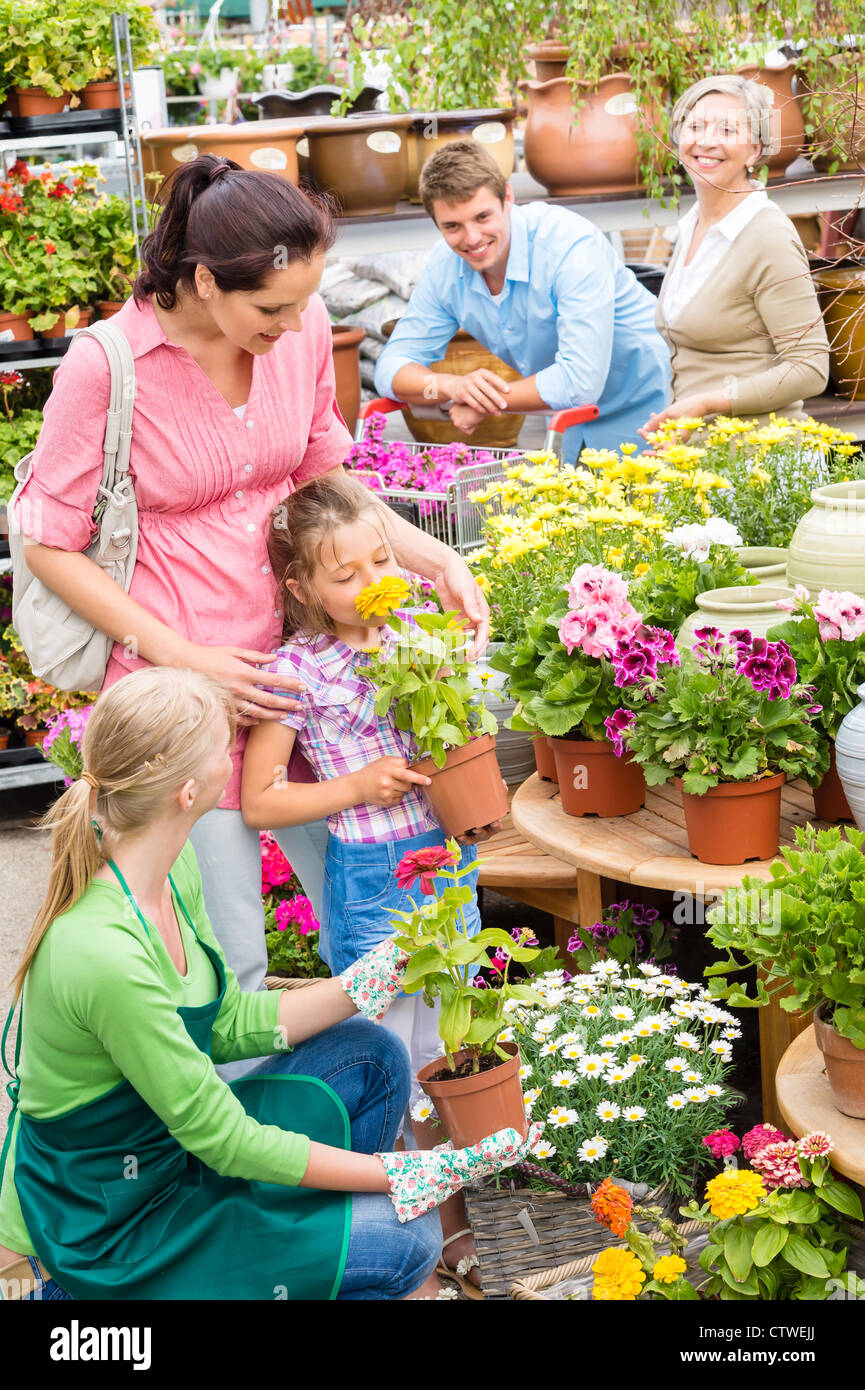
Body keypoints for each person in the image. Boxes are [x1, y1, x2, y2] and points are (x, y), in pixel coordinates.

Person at [9, 153, 490, 1005]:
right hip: (186, 705)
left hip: (312, 681)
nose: (297, 323)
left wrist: (432, 556)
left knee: (380, 919)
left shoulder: (296, 331)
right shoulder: (108, 366)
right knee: (228, 959)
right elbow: (48, 544)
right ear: (202, 281)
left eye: (306, 301)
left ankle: (381, 1107)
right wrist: (181, 655)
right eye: (273, 307)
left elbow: (323, 479)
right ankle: (232, 1132)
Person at [0, 667, 537, 1302]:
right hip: (114, 1221)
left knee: (374, 1054)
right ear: (188, 789)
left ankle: (294, 1241)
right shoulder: (103, 953)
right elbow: (222, 1138)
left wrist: (366, 983)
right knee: (407, 1243)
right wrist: (406, 1173)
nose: (241, 748)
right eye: (225, 738)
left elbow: (222, 1023)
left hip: (173, 1154)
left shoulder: (171, 870)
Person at [241, 471, 496, 1294]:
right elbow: (258, 799)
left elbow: (460, 727)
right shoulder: (298, 670)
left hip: (444, 859)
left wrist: (458, 665)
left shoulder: (417, 635)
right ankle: (407, 1242)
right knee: (393, 1055)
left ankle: (455, 1225)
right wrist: (353, 787)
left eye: (382, 562)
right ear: (301, 586)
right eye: (344, 575)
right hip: (373, 872)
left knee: (453, 1047)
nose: (370, 585)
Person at [373, 141, 670, 463]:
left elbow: (579, 382)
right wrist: (451, 387)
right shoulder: (444, 269)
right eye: (452, 226)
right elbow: (389, 369)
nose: (472, 238)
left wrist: (483, 401)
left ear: (508, 198)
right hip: (565, 421)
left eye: (483, 216)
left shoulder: (570, 245)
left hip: (645, 404)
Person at [640, 74, 830, 436]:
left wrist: (707, 403)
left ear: (755, 150)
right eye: (695, 126)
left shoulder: (766, 235)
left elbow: (810, 367)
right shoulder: (694, 225)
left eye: (727, 130)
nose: (706, 141)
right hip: (702, 461)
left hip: (759, 466)